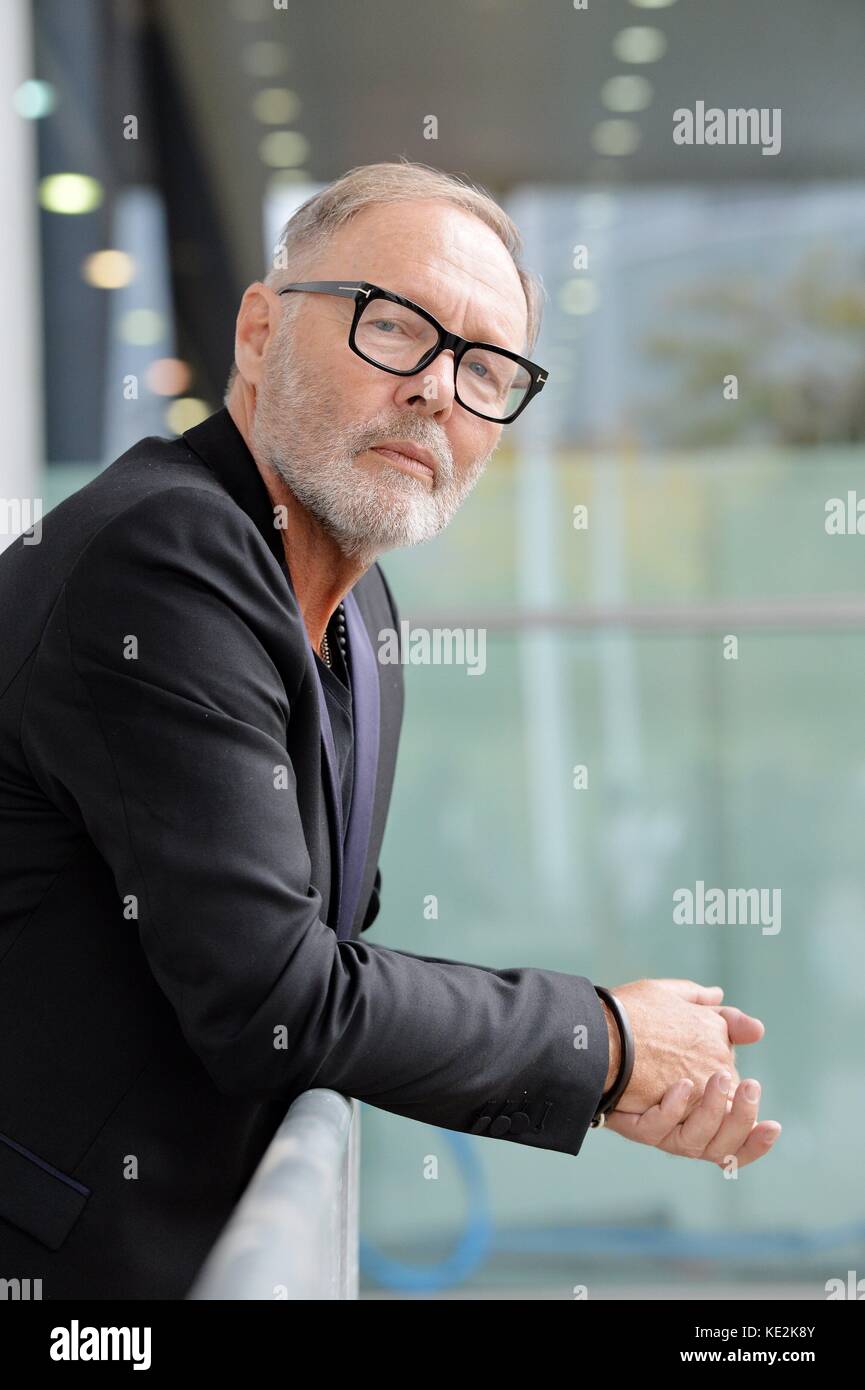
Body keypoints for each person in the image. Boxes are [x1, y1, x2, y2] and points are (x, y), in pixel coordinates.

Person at [0, 160, 779, 1301]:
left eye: (485, 366)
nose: (439, 392)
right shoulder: (161, 556)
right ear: (260, 332)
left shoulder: (359, 612)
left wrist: (609, 1052)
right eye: (394, 326)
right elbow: (275, 1002)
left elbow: (325, 954)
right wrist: (601, 1042)